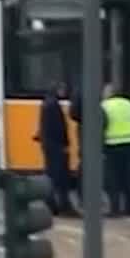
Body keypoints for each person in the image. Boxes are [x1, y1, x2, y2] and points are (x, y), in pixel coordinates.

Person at [36, 81, 78, 217]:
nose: (64, 92)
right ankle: (62, 206)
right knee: (60, 178)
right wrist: (65, 144)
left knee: (52, 176)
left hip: (49, 146)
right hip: (57, 147)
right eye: (63, 89)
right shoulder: (53, 105)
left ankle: (53, 205)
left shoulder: (47, 103)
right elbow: (59, 128)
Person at [101, 83, 130, 218]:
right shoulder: (129, 104)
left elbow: (103, 124)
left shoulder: (105, 106)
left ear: (110, 93)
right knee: (127, 178)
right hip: (128, 143)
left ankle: (114, 209)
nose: (103, 93)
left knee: (113, 179)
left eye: (105, 91)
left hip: (112, 145)